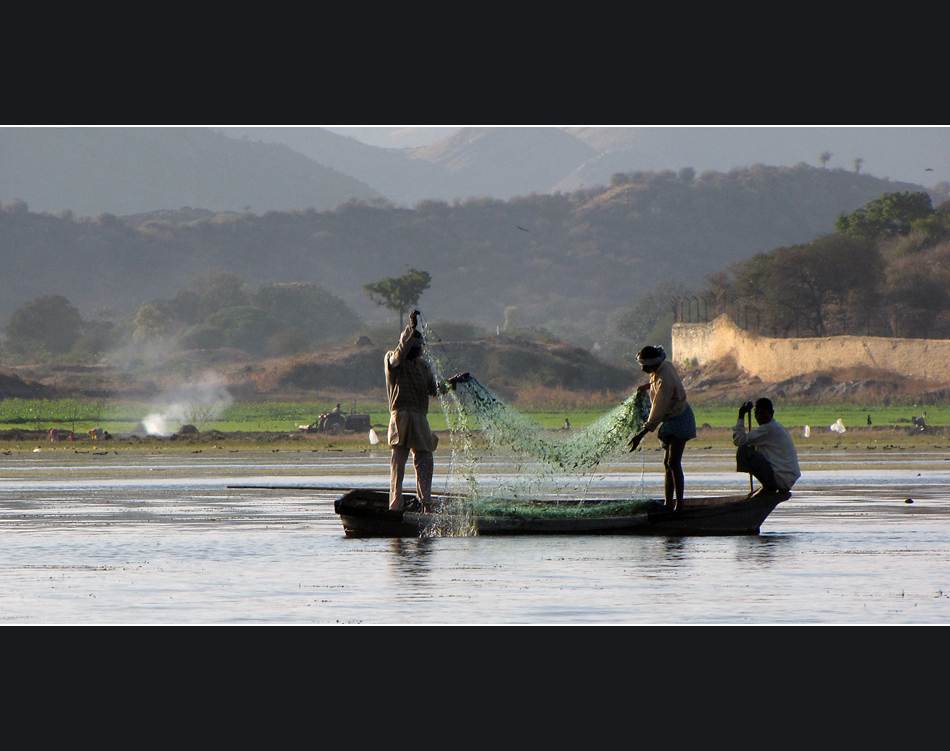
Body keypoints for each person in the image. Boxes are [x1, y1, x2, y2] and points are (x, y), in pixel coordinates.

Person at [385, 309, 467, 512]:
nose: (419, 351)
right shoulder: (393, 361)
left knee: (425, 458)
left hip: (420, 417)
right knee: (399, 461)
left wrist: (452, 383)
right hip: (401, 415)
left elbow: (434, 390)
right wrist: (411, 327)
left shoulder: (423, 367)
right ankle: (396, 505)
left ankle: (426, 504)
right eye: (415, 347)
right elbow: (400, 352)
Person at [627, 345, 696, 511]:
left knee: (673, 462)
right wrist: (647, 386)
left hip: (680, 418)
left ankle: (679, 505)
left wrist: (640, 435)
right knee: (667, 463)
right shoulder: (664, 367)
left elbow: (657, 411)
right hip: (672, 418)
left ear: (653, 363)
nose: (644, 368)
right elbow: (656, 383)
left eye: (646, 365)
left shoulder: (664, 381)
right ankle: (668, 503)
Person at [733, 398, 801, 494]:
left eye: (763, 413)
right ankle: (767, 486)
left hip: (780, 479)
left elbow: (738, 441)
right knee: (752, 448)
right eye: (756, 414)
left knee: (743, 450)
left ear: (771, 413)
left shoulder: (768, 428)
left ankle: (767, 486)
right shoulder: (777, 426)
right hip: (786, 479)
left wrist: (741, 416)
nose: (759, 417)